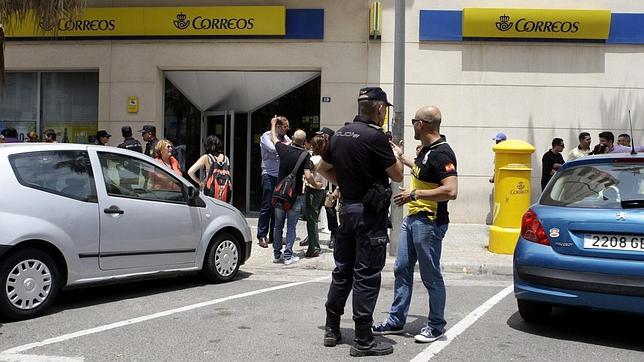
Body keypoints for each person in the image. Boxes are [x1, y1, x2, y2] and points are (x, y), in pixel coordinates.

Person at [317, 87, 403, 357]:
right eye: (385, 108)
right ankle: (363, 339)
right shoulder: (375, 137)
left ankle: (332, 328)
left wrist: (346, 182)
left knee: (343, 270)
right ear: (379, 108)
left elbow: (321, 167)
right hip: (369, 216)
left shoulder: (341, 134)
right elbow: (398, 175)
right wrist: (396, 153)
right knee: (366, 274)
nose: (385, 112)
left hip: (348, 210)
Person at [371, 105, 458, 344]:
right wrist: (401, 156)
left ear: (423, 124)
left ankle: (437, 325)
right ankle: (396, 321)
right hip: (414, 220)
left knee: (430, 275)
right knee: (401, 269)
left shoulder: (443, 153)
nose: (412, 126)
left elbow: (451, 190)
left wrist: (414, 194)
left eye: (414, 121)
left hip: (429, 223)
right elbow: (423, 170)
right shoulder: (428, 151)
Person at [271, 117, 319, 265]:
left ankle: (276, 254)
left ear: (292, 138)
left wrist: (273, 124)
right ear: (304, 142)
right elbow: (307, 175)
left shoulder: (283, 149)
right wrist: (316, 185)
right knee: (291, 226)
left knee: (278, 225)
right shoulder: (305, 155)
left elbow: (273, 138)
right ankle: (288, 256)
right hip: (295, 195)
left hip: (280, 194)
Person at [257, 116, 291, 248]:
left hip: (281, 176)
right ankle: (262, 235)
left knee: (278, 206)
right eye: (285, 127)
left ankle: (274, 235)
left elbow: (289, 150)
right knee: (267, 206)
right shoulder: (265, 136)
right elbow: (272, 148)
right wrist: (286, 146)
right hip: (269, 175)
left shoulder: (285, 138)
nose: (287, 130)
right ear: (277, 126)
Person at [303, 134, 329, 258]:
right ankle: (314, 246)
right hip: (323, 190)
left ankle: (314, 247)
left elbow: (308, 176)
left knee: (311, 220)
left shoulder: (312, 160)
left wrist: (313, 183)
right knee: (314, 217)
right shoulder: (326, 159)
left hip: (313, 190)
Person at [187, 135, 230, 199]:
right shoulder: (226, 158)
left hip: (210, 190)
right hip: (223, 191)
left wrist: (200, 182)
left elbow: (190, 172)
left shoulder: (206, 157)